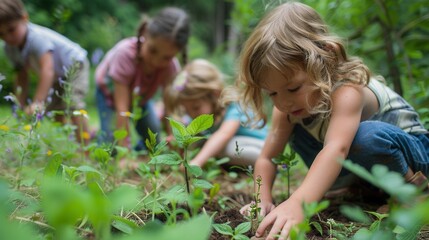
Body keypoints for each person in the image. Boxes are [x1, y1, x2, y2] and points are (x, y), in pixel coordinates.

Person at [236, 2, 429, 239]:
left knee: (365, 137)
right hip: (370, 171)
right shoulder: (289, 108)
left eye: (293, 88)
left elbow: (336, 148)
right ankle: (356, 190)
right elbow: (266, 157)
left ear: (324, 58)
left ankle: (414, 194)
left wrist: (298, 202)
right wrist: (262, 199)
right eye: (272, 93)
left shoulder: (347, 90)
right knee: (296, 130)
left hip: (415, 156)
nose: (283, 102)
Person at [95, 7, 190, 150]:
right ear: (146, 34)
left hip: (141, 99)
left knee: (153, 138)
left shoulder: (171, 68)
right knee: (110, 146)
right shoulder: (125, 54)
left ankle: (138, 152)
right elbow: (122, 108)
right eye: (152, 51)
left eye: (166, 57)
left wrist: (175, 143)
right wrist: (124, 154)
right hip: (110, 96)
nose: (156, 62)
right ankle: (100, 135)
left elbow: (169, 108)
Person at [0, 0, 90, 143]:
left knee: (73, 104)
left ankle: (85, 148)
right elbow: (21, 75)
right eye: (1, 34)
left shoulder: (36, 38)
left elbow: (47, 69)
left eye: (11, 30)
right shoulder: (9, 48)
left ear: (24, 18)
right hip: (56, 76)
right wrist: (20, 104)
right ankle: (71, 142)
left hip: (74, 65)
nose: (8, 37)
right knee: (55, 112)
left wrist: (37, 102)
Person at [164, 59, 267, 168]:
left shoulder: (234, 106)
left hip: (261, 147)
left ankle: (268, 165)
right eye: (186, 110)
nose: (191, 114)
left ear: (215, 94)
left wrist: (197, 162)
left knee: (226, 148)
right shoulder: (203, 116)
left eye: (196, 107)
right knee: (203, 144)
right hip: (240, 148)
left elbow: (223, 135)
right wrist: (178, 143)